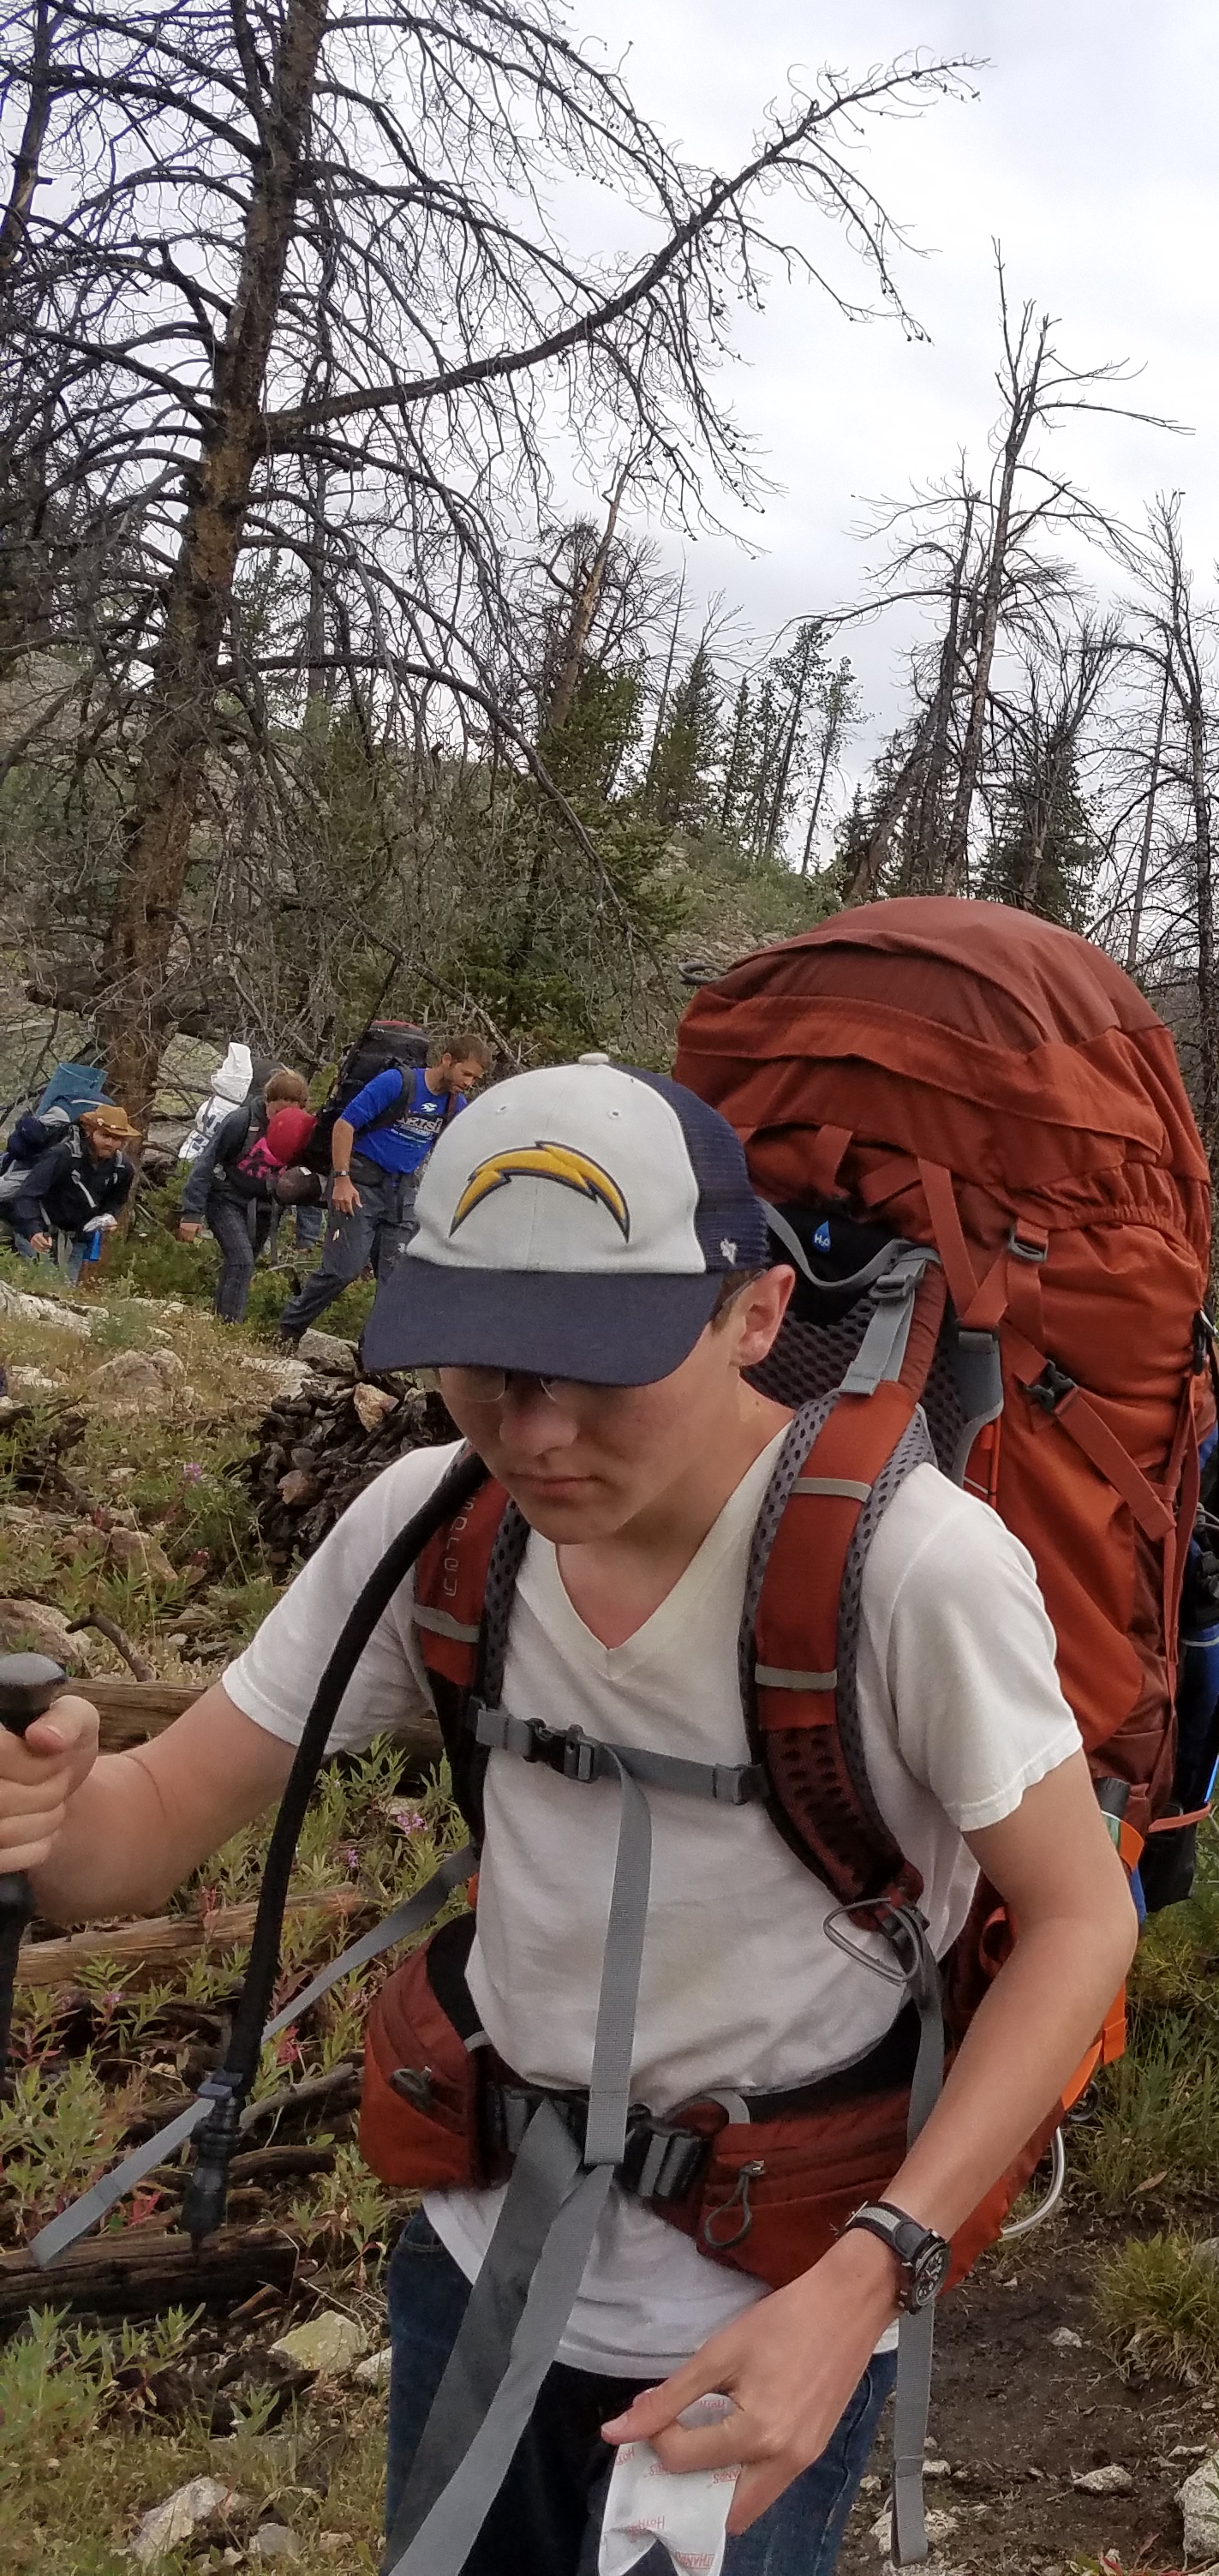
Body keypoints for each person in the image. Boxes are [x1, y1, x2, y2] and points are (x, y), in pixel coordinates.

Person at [0, 1059, 1137, 2567]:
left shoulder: (916, 1567)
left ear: (749, 1315)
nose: (532, 1431)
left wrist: (868, 2280)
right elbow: (137, 1831)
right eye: (484, 1361)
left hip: (771, 2295)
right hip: (477, 2260)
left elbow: (1079, 1918)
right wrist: (42, 1802)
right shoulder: (429, 1525)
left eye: (595, 1366)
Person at [274, 1030, 489, 1342]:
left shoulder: (455, 1105)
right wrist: (342, 1179)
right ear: (446, 1060)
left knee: (396, 1281)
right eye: (465, 1073)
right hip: (360, 1182)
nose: (469, 1082)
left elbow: (451, 1153)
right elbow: (345, 1125)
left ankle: (373, 1355)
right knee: (342, 1269)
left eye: (475, 1078)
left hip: (401, 1193)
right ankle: (288, 1330)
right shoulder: (398, 1083)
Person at [178, 1067, 315, 1323]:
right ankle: (229, 1327)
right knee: (241, 1260)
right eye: (277, 1112)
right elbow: (206, 1163)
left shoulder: (304, 1133)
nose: (281, 1120)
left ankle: (221, 1321)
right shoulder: (241, 1122)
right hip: (226, 1198)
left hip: (265, 1208)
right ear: (266, 1102)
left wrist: (306, 1235)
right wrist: (192, 1212)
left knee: (243, 1264)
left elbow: (307, 1183)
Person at [1, 1100, 137, 1278]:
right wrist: (33, 1231)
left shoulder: (123, 1168)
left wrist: (109, 1215)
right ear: (90, 1131)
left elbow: (116, 1200)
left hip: (77, 1240)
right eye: (105, 1135)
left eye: (117, 1138)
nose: (110, 1143)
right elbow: (27, 1195)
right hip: (39, 1232)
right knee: (46, 1287)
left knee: (64, 1294)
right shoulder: (62, 1155)